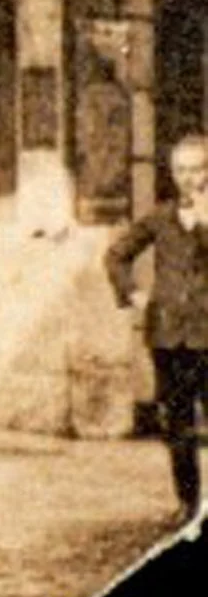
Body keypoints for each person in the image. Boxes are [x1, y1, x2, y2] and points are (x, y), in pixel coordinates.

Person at [107, 133, 208, 521]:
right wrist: (132, 293)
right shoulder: (160, 217)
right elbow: (116, 255)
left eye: (197, 169)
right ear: (172, 173)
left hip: (207, 336)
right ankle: (188, 504)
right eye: (181, 169)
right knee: (177, 424)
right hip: (168, 337)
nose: (188, 178)